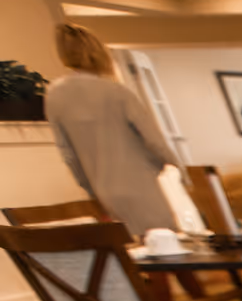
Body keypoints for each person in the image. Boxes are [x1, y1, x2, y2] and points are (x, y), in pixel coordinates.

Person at [43, 23, 178, 235]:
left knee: (134, 254)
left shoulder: (54, 95)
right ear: (99, 53)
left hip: (103, 190)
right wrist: (178, 170)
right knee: (168, 249)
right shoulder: (116, 92)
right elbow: (154, 141)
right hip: (142, 184)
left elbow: (67, 153)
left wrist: (89, 188)